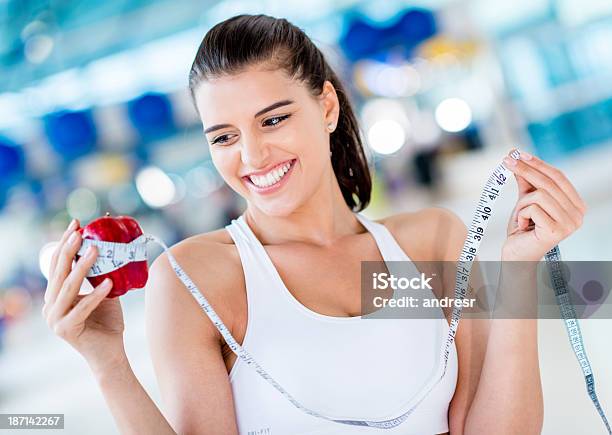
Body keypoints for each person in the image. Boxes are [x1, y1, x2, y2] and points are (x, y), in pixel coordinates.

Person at [42, 14, 586, 435]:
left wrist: (519, 270)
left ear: (326, 106)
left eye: (273, 119)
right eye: (223, 137)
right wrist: (107, 362)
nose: (252, 155)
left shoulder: (431, 241)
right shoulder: (197, 277)